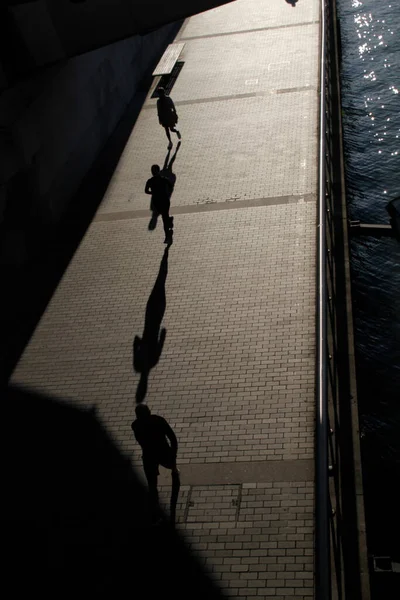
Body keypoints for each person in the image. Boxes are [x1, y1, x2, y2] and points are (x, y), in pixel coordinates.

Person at [132, 404, 180, 524]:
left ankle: (155, 510)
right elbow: (172, 437)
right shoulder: (158, 420)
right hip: (163, 452)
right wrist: (173, 454)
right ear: (149, 412)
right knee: (170, 466)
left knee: (152, 485)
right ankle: (174, 470)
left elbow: (140, 441)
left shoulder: (135, 425)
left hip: (149, 457)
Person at [145, 165, 174, 243]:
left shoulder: (150, 181)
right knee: (165, 216)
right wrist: (166, 193)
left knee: (164, 218)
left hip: (158, 202)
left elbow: (146, 191)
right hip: (164, 201)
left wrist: (153, 192)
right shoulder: (163, 179)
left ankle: (167, 236)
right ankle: (169, 221)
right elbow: (171, 186)